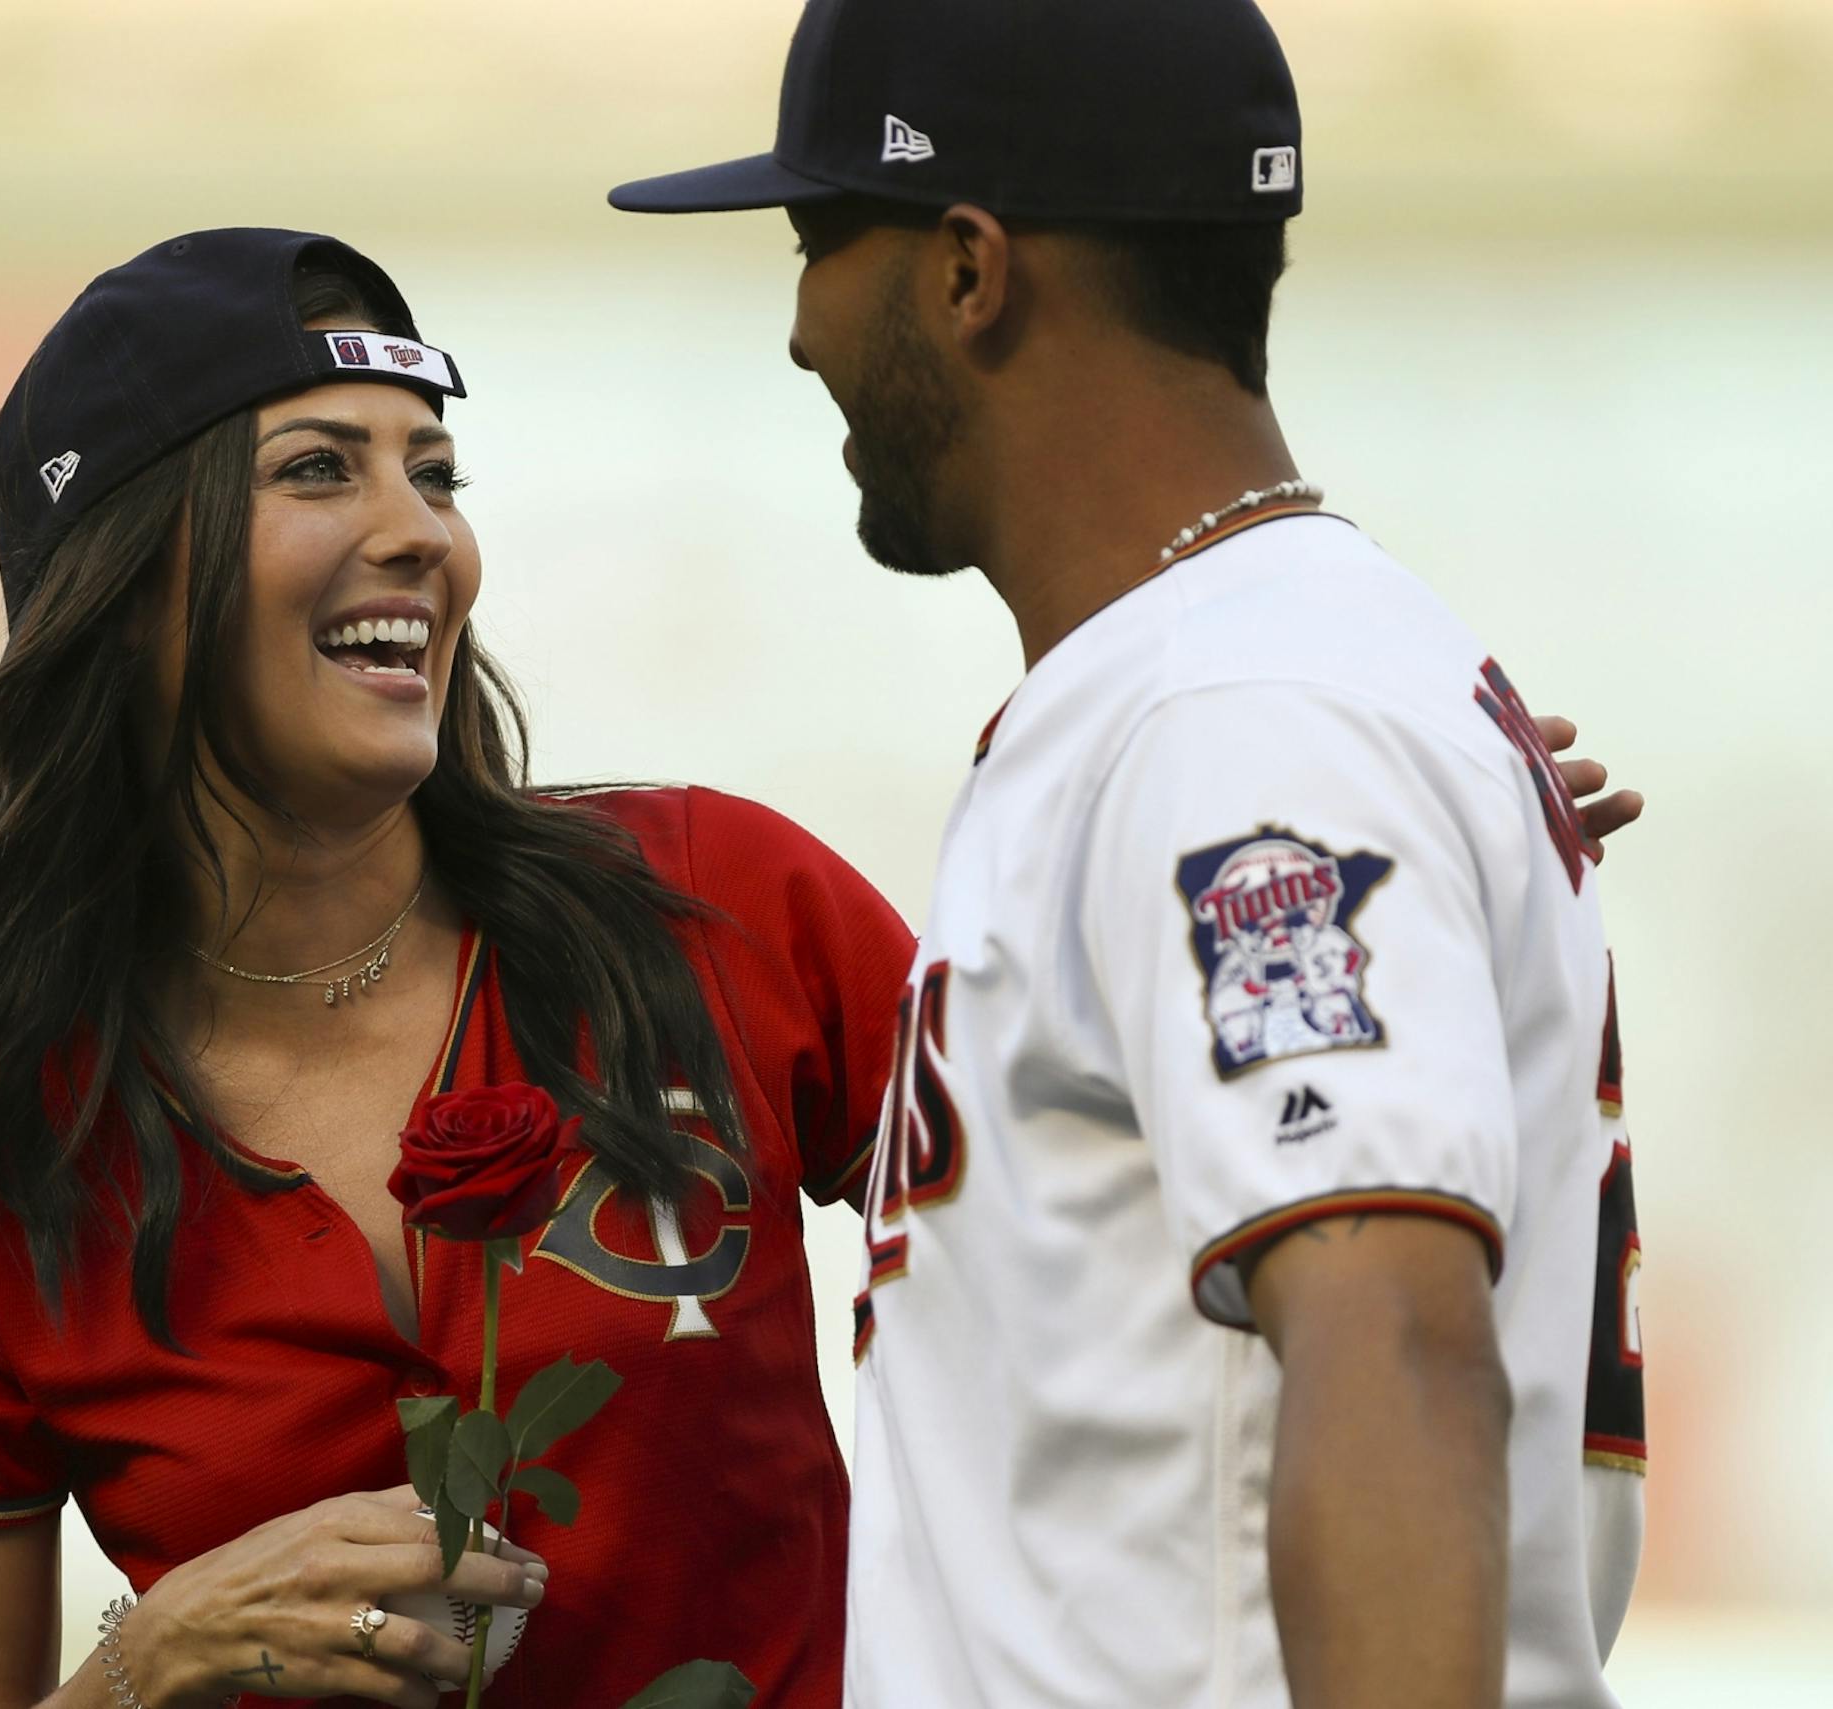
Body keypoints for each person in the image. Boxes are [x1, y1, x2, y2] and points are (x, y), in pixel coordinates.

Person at [608, 2, 1649, 1707]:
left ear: (968, 269)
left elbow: (1389, 1339)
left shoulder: (1242, 713)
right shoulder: (1251, 678)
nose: (798, 326)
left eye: (818, 239)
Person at [0, 227, 915, 1709]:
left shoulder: (725, 900)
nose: (425, 534)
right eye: (322, 467)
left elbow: (1094, 1307)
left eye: (436, 473)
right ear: (127, 578)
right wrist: (155, 1656)